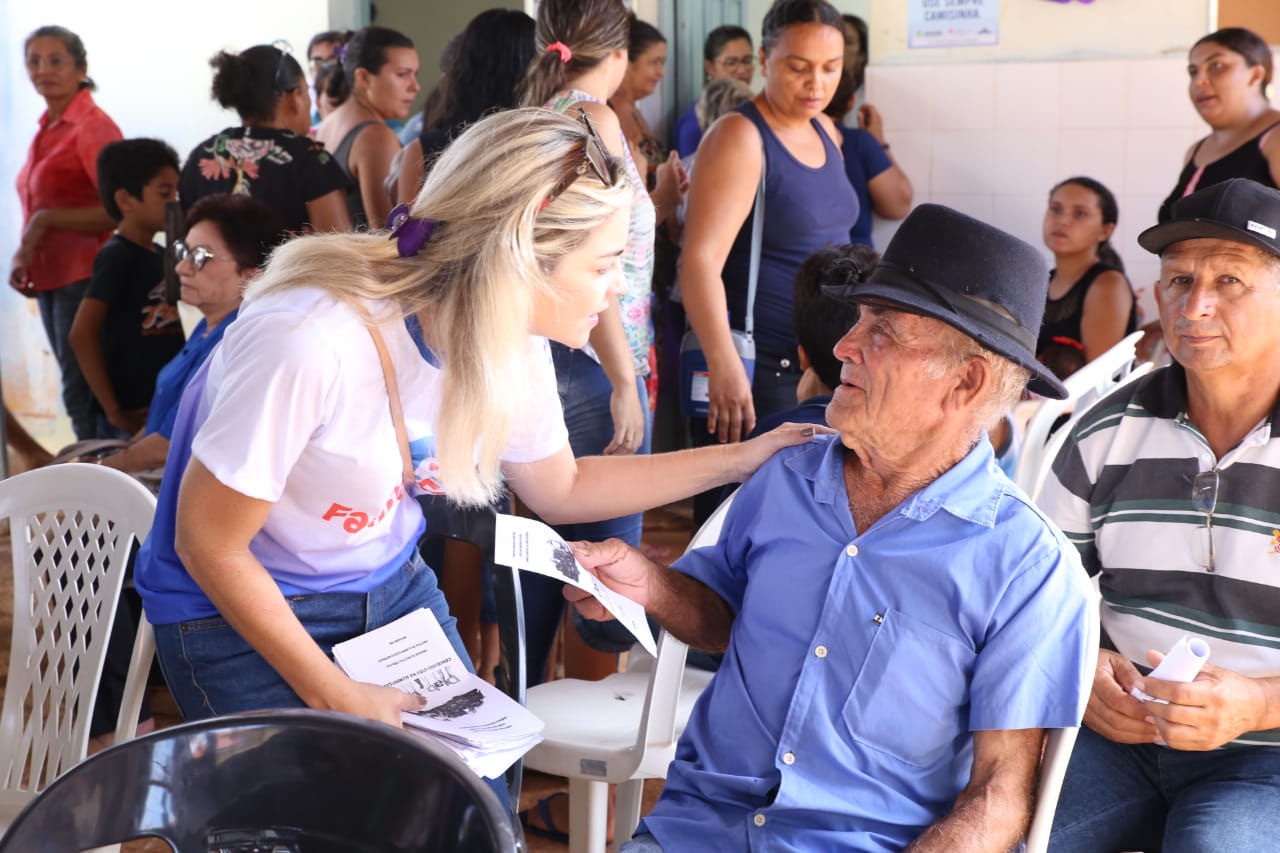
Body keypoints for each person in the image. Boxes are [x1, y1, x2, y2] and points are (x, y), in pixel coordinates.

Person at [133, 109, 815, 752]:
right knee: (326, 814)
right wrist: (335, 691)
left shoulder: (509, 339)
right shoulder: (311, 338)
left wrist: (744, 458)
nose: (614, 294)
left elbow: (565, 486)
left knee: (474, 798)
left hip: (389, 585)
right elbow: (209, 545)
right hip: (234, 607)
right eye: (604, 266)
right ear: (519, 258)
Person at [569, 204, 1093, 852]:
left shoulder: (1024, 564)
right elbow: (728, 616)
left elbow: (999, 798)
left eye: (884, 333)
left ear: (967, 381)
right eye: (858, 322)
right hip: (698, 831)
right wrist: (649, 584)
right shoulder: (787, 477)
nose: (844, 345)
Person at [1042, 178, 1280, 852]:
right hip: (1121, 736)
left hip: (1267, 757)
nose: (1195, 305)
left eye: (1230, 280)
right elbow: (1031, 592)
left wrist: (1258, 704)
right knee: (1012, 834)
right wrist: (1084, 667)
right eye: (1178, 281)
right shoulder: (1105, 431)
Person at [518, 0, 689, 686]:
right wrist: (624, 380)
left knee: (535, 551)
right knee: (605, 562)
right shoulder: (595, 117)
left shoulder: (534, 115)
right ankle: (587, 731)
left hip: (547, 356)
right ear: (616, 53)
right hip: (591, 359)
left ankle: (529, 710)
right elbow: (602, 264)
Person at [681, 0, 859, 524]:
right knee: (731, 523)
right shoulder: (740, 136)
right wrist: (725, 367)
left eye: (830, 68)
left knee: (800, 520)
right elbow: (698, 262)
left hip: (820, 364)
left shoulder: (826, 130)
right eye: (797, 66)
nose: (815, 83)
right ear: (764, 59)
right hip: (760, 368)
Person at [94, 194, 283, 476]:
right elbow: (163, 423)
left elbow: (168, 445)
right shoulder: (208, 325)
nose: (181, 268)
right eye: (185, 252)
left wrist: (94, 472)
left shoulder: (234, 340)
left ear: (251, 275)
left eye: (200, 258)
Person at [12, 25, 122, 442]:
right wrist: (26, 252)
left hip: (87, 275)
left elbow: (119, 208)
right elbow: (38, 205)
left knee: (87, 394)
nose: (43, 70)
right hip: (53, 279)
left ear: (81, 67)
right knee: (77, 393)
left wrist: (46, 222)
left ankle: (102, 491)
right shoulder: (48, 126)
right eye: (34, 61)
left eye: (55, 60)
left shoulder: (90, 125)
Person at [68, 139, 185, 441]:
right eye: (164, 193)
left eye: (176, 192)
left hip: (159, 403)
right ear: (126, 200)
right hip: (130, 413)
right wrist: (114, 410)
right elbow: (82, 333)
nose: (175, 201)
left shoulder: (162, 255)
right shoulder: (117, 255)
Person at [180, 43, 350, 235]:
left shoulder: (202, 155)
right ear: (294, 97)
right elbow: (339, 250)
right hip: (285, 266)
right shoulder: (311, 160)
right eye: (306, 91)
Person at [396, 9, 535, 204]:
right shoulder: (542, 146)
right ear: (536, 70)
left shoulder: (423, 149)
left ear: (462, 69)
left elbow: (404, 232)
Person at [314, 26, 420, 229]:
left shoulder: (328, 122)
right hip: (360, 259)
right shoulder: (376, 138)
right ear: (363, 77)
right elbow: (389, 236)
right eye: (402, 74)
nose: (415, 86)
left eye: (415, 74)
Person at [1038, 176, 1136, 380]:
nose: (1062, 220)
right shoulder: (1042, 281)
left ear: (1105, 231)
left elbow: (1095, 383)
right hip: (1042, 408)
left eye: (1080, 213)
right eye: (1056, 209)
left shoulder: (1107, 284)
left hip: (1088, 410)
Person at [822, 69, 913, 248]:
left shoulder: (781, 141)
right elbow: (898, 207)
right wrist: (879, 141)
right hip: (854, 263)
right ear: (851, 102)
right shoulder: (858, 143)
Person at [610, 17, 675, 190]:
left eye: (663, 63)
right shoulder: (613, 112)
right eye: (655, 62)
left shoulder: (632, 109)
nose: (661, 72)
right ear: (627, 61)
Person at [672, 26, 754, 158]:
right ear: (709, 67)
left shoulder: (754, 110)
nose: (741, 70)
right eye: (731, 62)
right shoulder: (694, 124)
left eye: (747, 61)